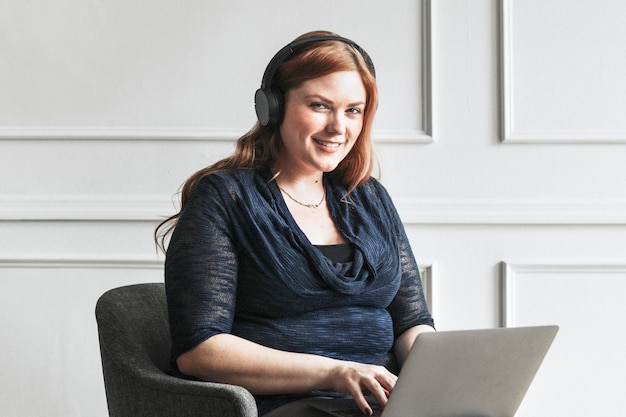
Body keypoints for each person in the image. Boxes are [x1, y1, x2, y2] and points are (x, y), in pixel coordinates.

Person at [155, 30, 435, 417]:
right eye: (321, 106)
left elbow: (412, 322)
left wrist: (443, 377)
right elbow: (200, 349)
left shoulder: (370, 199)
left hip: (384, 405)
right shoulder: (224, 198)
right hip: (285, 405)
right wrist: (336, 372)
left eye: (353, 110)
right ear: (272, 107)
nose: (339, 127)